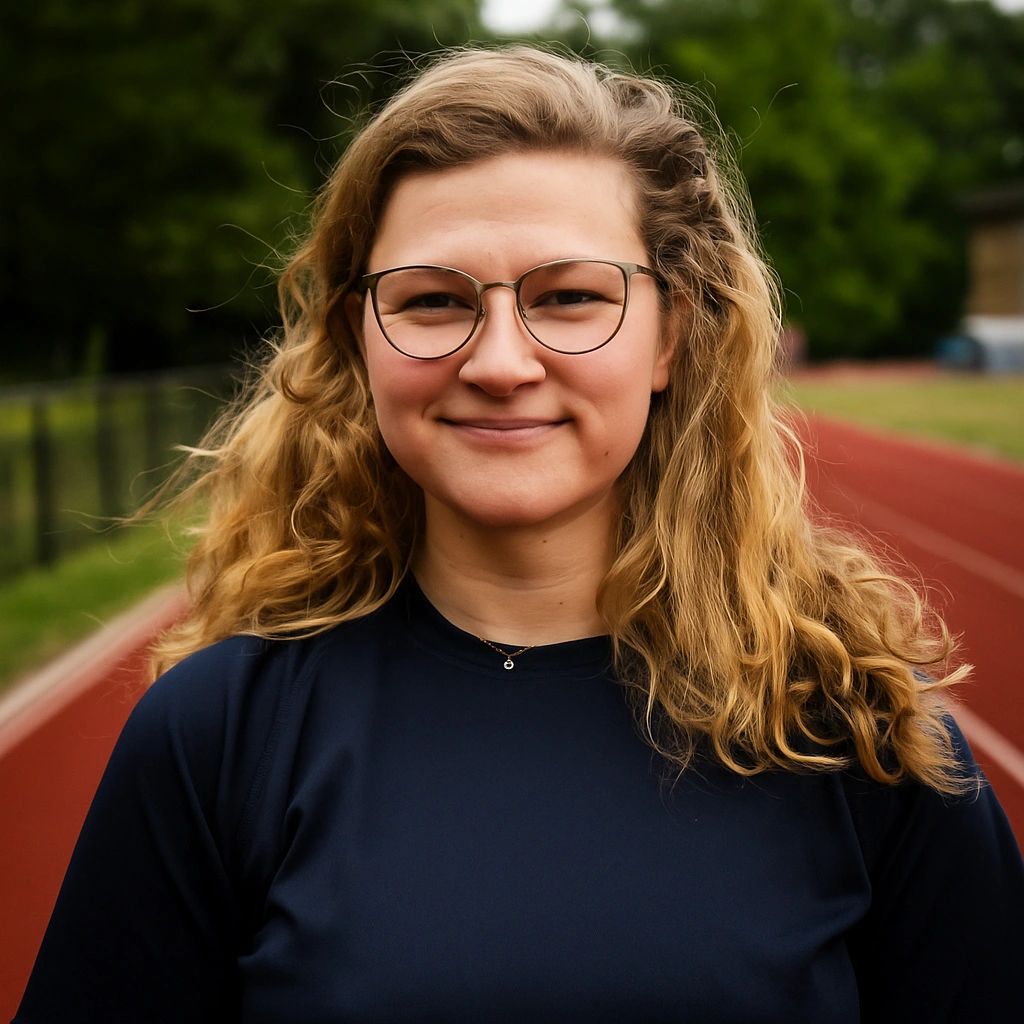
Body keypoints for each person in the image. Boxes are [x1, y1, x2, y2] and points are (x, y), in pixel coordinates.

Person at [14, 45, 1024, 1023]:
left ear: (670, 335)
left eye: (570, 297)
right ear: (360, 338)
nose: (499, 363)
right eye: (432, 301)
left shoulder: (859, 735)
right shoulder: (218, 735)